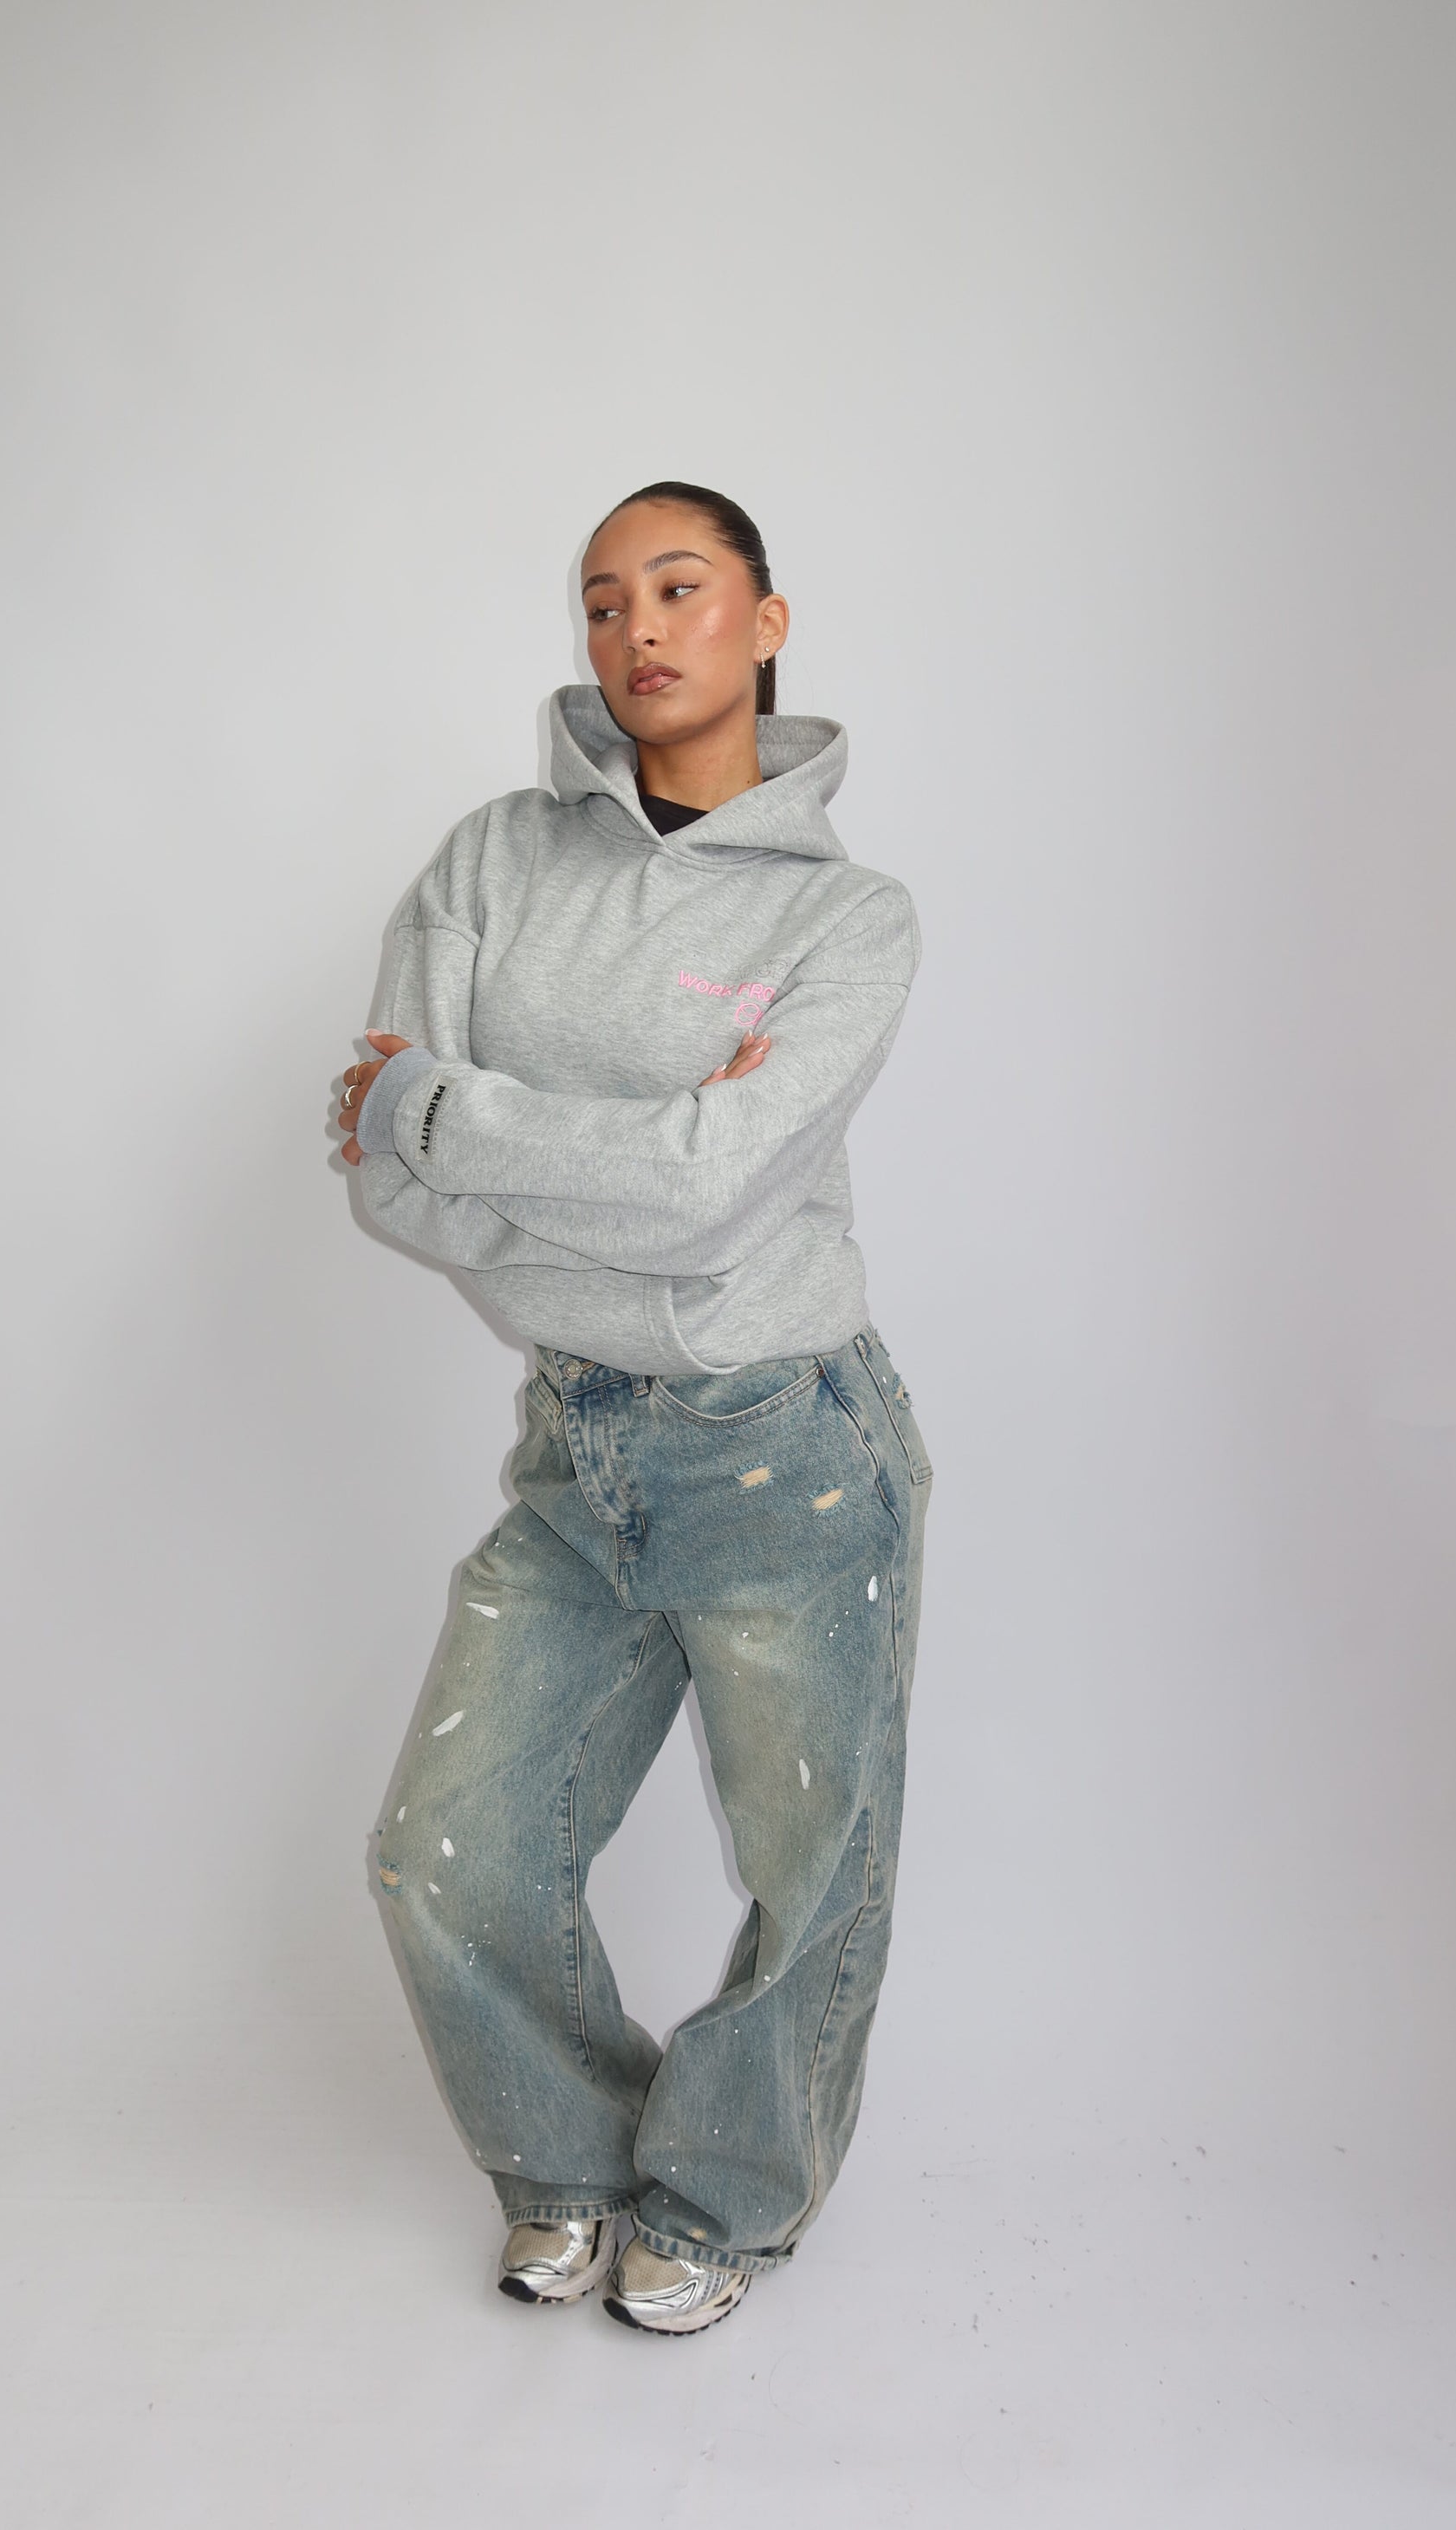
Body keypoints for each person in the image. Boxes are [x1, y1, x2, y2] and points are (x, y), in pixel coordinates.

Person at [335, 482, 930, 2335]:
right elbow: (387, 1182)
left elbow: (709, 1192)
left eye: (678, 588)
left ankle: (729, 2194)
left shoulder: (846, 918)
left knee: (810, 1872)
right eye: (602, 601)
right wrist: (639, 1162)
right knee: (443, 1855)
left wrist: (452, 1108)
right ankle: (572, 2159)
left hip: (786, 1449)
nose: (636, 630)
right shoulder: (491, 863)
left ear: (765, 620)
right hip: (576, 1449)